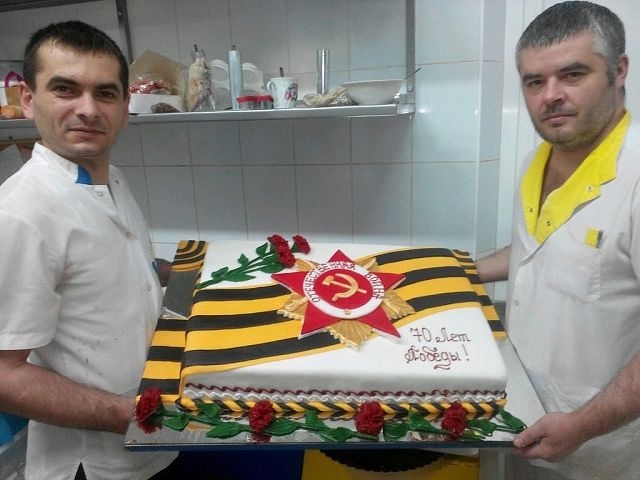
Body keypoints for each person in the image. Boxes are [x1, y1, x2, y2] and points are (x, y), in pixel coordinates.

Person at [0, 21, 177, 479]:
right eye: (65, 89)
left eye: (105, 93)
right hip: (94, 463)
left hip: (154, 443)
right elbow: (4, 374)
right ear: (28, 99)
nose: (88, 109)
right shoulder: (21, 213)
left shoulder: (110, 178)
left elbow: (119, 270)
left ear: (124, 107)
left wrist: (195, 274)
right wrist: (131, 414)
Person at [476, 2, 640, 479]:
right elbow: (541, 251)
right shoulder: (541, 157)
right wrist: (459, 269)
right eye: (534, 81)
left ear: (618, 71)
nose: (550, 96)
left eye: (572, 75)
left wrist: (582, 426)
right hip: (522, 419)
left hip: (601, 448)